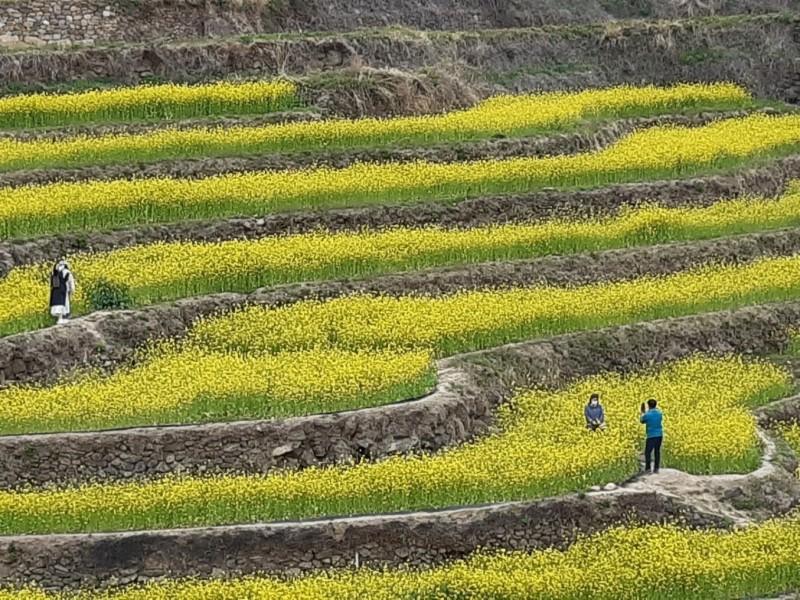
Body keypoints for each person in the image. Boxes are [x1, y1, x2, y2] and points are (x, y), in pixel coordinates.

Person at [639, 398, 663, 474]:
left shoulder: (647, 414)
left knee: (648, 452)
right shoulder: (659, 413)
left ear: (648, 405)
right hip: (659, 435)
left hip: (651, 435)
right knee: (657, 451)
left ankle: (648, 468)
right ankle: (656, 468)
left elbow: (642, 421)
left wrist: (642, 412)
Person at [49, 259, 76, 325]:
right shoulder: (67, 272)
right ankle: (61, 319)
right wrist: (72, 289)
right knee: (63, 303)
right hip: (63, 290)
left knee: (57, 303)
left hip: (55, 291)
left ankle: (60, 318)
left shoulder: (54, 272)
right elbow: (71, 282)